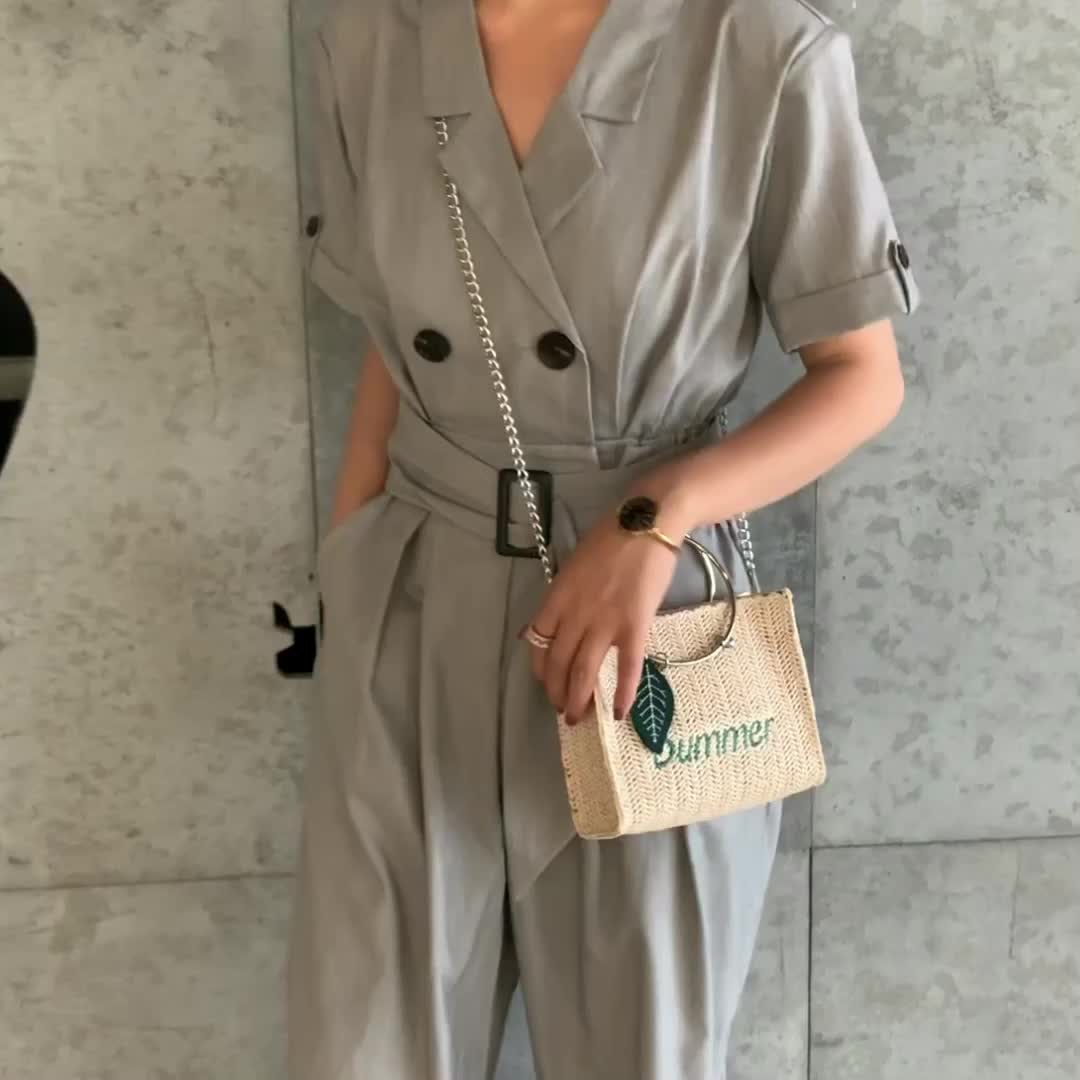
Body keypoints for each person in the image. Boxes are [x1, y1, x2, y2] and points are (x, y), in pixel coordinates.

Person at [287, 0, 919, 1077]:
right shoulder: (372, 43)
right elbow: (395, 347)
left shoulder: (756, 49)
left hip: (646, 633)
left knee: (641, 1049)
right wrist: (347, 585)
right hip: (416, 604)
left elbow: (863, 380)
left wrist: (655, 517)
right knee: (365, 1050)